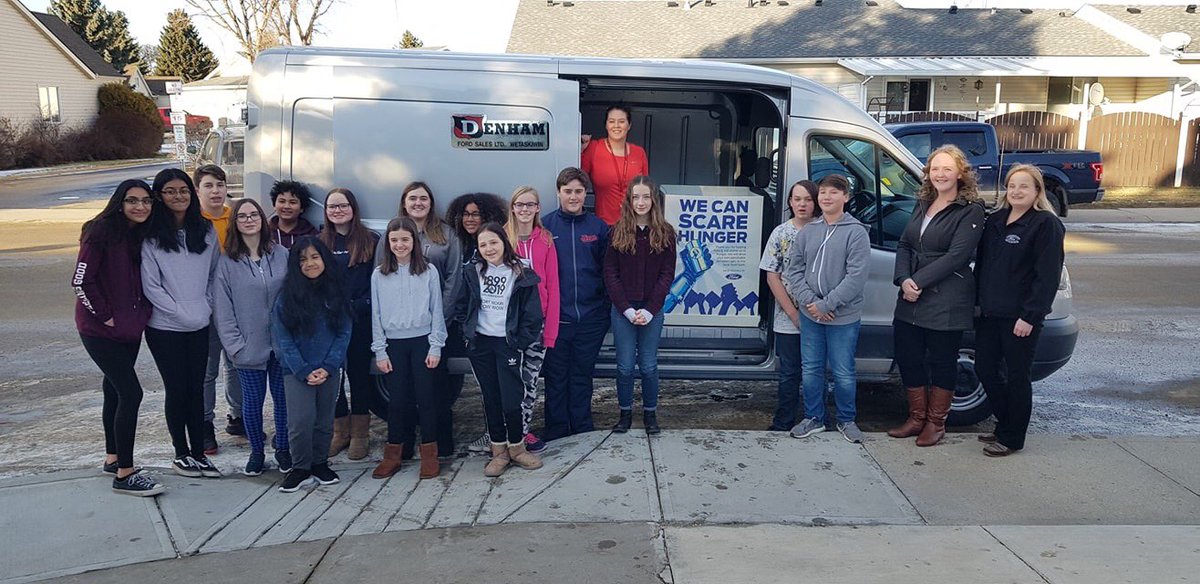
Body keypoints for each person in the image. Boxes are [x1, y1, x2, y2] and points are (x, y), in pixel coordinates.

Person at [888, 144, 986, 447]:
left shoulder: (971, 209)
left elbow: (958, 256)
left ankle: (935, 423)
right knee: (909, 358)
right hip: (911, 298)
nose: (940, 174)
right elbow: (905, 244)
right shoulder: (923, 203)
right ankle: (916, 419)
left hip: (947, 298)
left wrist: (916, 282)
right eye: (935, 169)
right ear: (927, 174)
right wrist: (903, 280)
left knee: (943, 363)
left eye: (947, 168)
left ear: (960, 173)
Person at [73, 179, 163, 496]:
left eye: (146, 201)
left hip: (129, 327)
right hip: (100, 330)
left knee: (113, 389)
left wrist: (137, 315)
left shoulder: (140, 233)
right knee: (131, 393)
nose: (140, 206)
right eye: (132, 200)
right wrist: (105, 315)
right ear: (119, 202)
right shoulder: (99, 231)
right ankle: (125, 473)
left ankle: (113, 458)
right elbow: (81, 280)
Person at [973, 164, 1065, 457]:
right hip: (990, 313)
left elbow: (1047, 276)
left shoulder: (1045, 225)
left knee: (1017, 376)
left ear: (1037, 190)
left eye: (1024, 186)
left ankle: (1013, 437)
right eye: (1012, 186)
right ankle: (1005, 423)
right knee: (985, 369)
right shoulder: (997, 220)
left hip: (1020, 318)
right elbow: (984, 266)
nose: (1017, 192)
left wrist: (1030, 316)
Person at [141, 168, 221, 479]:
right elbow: (151, 285)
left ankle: (199, 452)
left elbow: (214, 274)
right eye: (171, 191)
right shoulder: (150, 236)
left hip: (200, 321)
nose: (179, 197)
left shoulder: (206, 230)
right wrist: (178, 311)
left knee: (196, 388)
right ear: (160, 196)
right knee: (176, 389)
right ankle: (181, 453)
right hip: (165, 327)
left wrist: (206, 306)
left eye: (184, 190)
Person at [782, 175, 871, 443]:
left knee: (843, 371)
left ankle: (846, 420)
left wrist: (827, 304)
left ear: (846, 197)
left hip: (842, 317)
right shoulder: (809, 230)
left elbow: (856, 278)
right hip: (811, 315)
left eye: (834, 192)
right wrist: (812, 303)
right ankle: (814, 418)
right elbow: (794, 269)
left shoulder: (856, 232)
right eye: (822, 192)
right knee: (811, 369)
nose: (826, 197)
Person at [454, 223, 545, 477]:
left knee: (511, 398)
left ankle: (517, 448)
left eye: (493, 242)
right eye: (482, 245)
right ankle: (498, 452)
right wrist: (467, 332)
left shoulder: (521, 273)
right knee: (490, 397)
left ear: (504, 242)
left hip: (508, 344)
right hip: (481, 344)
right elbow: (462, 306)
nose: (488, 248)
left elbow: (533, 315)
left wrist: (519, 341)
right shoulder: (473, 272)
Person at [382, 182, 463, 458]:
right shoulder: (392, 234)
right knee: (401, 391)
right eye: (412, 198)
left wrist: (443, 316)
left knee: (437, 390)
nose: (418, 203)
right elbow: (381, 279)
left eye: (423, 198)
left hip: (438, 325)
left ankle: (440, 447)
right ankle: (402, 446)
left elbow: (454, 276)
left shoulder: (447, 234)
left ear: (431, 202)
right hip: (402, 329)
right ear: (404, 202)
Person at [213, 198, 291, 476]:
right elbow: (223, 310)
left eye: (253, 214)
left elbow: (294, 298)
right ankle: (257, 451)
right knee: (252, 403)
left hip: (282, 346)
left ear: (262, 219)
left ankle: (283, 448)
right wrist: (236, 346)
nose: (248, 220)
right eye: (242, 216)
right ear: (235, 223)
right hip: (248, 348)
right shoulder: (227, 263)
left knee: (283, 402)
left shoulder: (281, 254)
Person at [272, 237, 353, 492]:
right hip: (297, 372)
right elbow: (282, 338)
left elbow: (344, 333)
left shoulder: (336, 292)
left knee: (324, 419)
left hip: (328, 369)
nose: (310, 263)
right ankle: (300, 468)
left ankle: (320, 463)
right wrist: (303, 370)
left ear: (325, 259)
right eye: (303, 259)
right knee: (300, 421)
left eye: (315, 257)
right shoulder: (286, 298)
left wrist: (329, 365)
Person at [370, 217, 447, 480]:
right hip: (394, 344)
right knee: (397, 402)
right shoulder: (379, 274)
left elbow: (437, 310)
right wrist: (380, 350)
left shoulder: (428, 271)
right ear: (388, 243)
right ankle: (393, 455)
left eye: (405, 239)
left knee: (426, 400)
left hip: (422, 341)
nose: (400, 245)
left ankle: (429, 454)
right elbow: (376, 315)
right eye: (394, 240)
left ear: (414, 241)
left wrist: (435, 346)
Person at [541, 168, 611, 442]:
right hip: (558, 320)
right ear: (558, 192)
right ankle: (557, 431)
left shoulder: (598, 228)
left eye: (578, 191)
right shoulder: (545, 227)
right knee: (556, 378)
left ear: (586, 194)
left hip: (591, 319)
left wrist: (603, 309)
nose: (573, 196)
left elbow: (608, 271)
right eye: (568, 191)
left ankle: (582, 429)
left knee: (582, 375)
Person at [602, 176, 676, 434]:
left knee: (648, 365)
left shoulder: (665, 233)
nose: (641, 202)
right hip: (623, 311)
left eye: (646, 197)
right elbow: (610, 274)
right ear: (629, 200)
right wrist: (627, 309)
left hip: (651, 311)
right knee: (624, 366)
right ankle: (624, 414)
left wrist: (649, 309)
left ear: (654, 200)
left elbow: (667, 274)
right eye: (636, 197)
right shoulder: (617, 231)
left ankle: (650, 415)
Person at [319, 188, 379, 461]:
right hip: (330, 321)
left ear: (353, 208)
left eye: (342, 205)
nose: (337, 211)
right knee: (334, 377)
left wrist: (362, 304)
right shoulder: (319, 242)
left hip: (361, 320)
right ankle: (339, 432)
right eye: (332, 206)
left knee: (359, 377)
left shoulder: (370, 240)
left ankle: (360, 435)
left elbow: (378, 280)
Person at [447, 192, 509, 456]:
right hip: (470, 327)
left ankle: (500, 436)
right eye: (466, 214)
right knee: (485, 386)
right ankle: (493, 434)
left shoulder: (490, 245)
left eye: (476, 214)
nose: (470, 219)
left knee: (500, 387)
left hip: (495, 329)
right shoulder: (457, 244)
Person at [506, 186, 560, 454]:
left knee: (529, 382)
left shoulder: (546, 240)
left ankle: (523, 434)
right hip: (507, 326)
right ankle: (503, 434)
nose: (524, 209)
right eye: (519, 204)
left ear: (538, 208)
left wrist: (550, 331)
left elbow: (553, 286)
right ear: (512, 207)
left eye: (530, 204)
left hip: (536, 326)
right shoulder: (503, 238)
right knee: (508, 383)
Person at [760, 180, 817, 432]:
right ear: (790, 202)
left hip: (820, 315)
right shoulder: (781, 233)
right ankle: (783, 421)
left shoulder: (825, 230)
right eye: (797, 199)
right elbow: (772, 275)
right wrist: (793, 314)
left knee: (815, 371)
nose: (802, 204)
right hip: (788, 317)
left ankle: (816, 418)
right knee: (789, 373)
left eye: (807, 199)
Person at [195, 164, 241, 452]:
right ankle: (204, 424)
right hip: (205, 308)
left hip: (235, 306)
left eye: (220, 185)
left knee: (236, 364)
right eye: (209, 185)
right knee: (207, 370)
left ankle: (238, 416)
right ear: (198, 190)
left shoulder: (236, 218)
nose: (216, 191)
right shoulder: (193, 223)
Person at [581, 105, 649, 225]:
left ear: (629, 125)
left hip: (633, 224)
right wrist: (579, 147)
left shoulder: (639, 152)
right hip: (604, 225)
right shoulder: (594, 148)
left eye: (621, 121)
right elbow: (576, 181)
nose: (616, 126)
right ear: (606, 125)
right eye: (611, 121)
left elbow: (645, 190)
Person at [268, 180, 319, 249]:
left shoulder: (312, 235)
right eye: (282, 201)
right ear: (274, 205)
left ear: (302, 208)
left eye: (293, 202)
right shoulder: (265, 232)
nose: (286, 206)